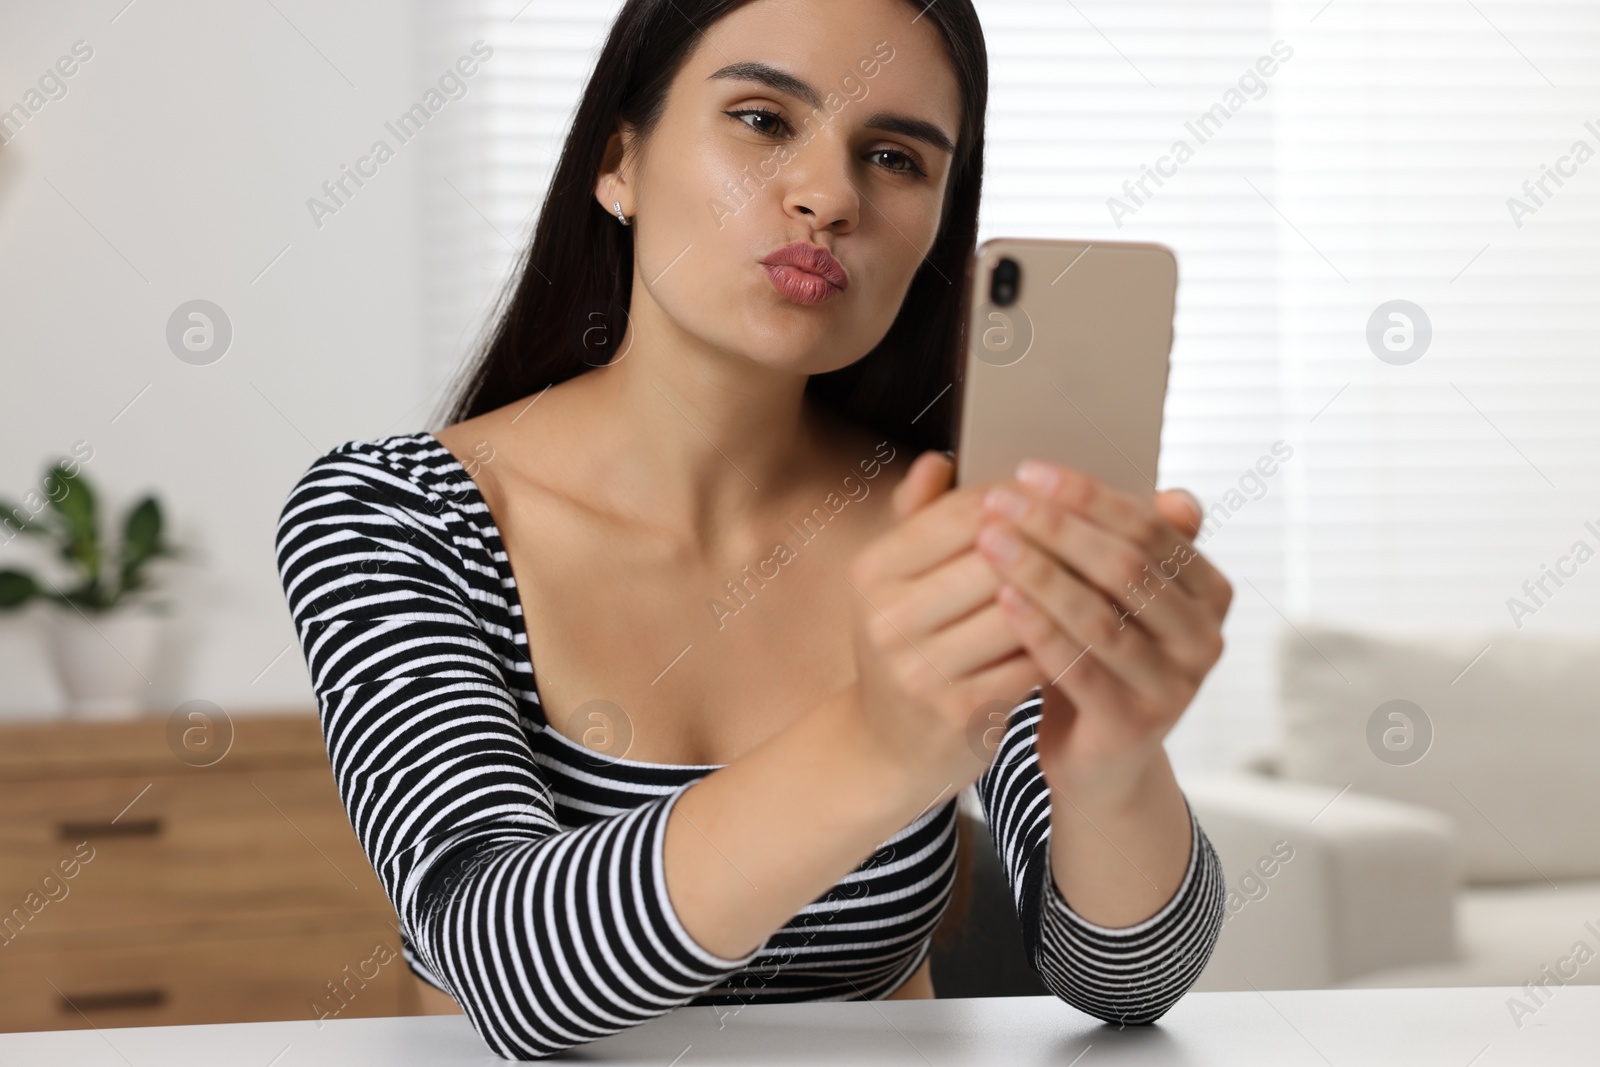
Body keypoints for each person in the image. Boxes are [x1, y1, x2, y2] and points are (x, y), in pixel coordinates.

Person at [274, 0, 1232, 1058]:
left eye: (896, 158)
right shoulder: (393, 514)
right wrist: (876, 745)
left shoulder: (943, 527)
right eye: (764, 120)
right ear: (618, 162)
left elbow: (1125, 982)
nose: (827, 197)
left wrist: (1112, 763)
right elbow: (504, 959)